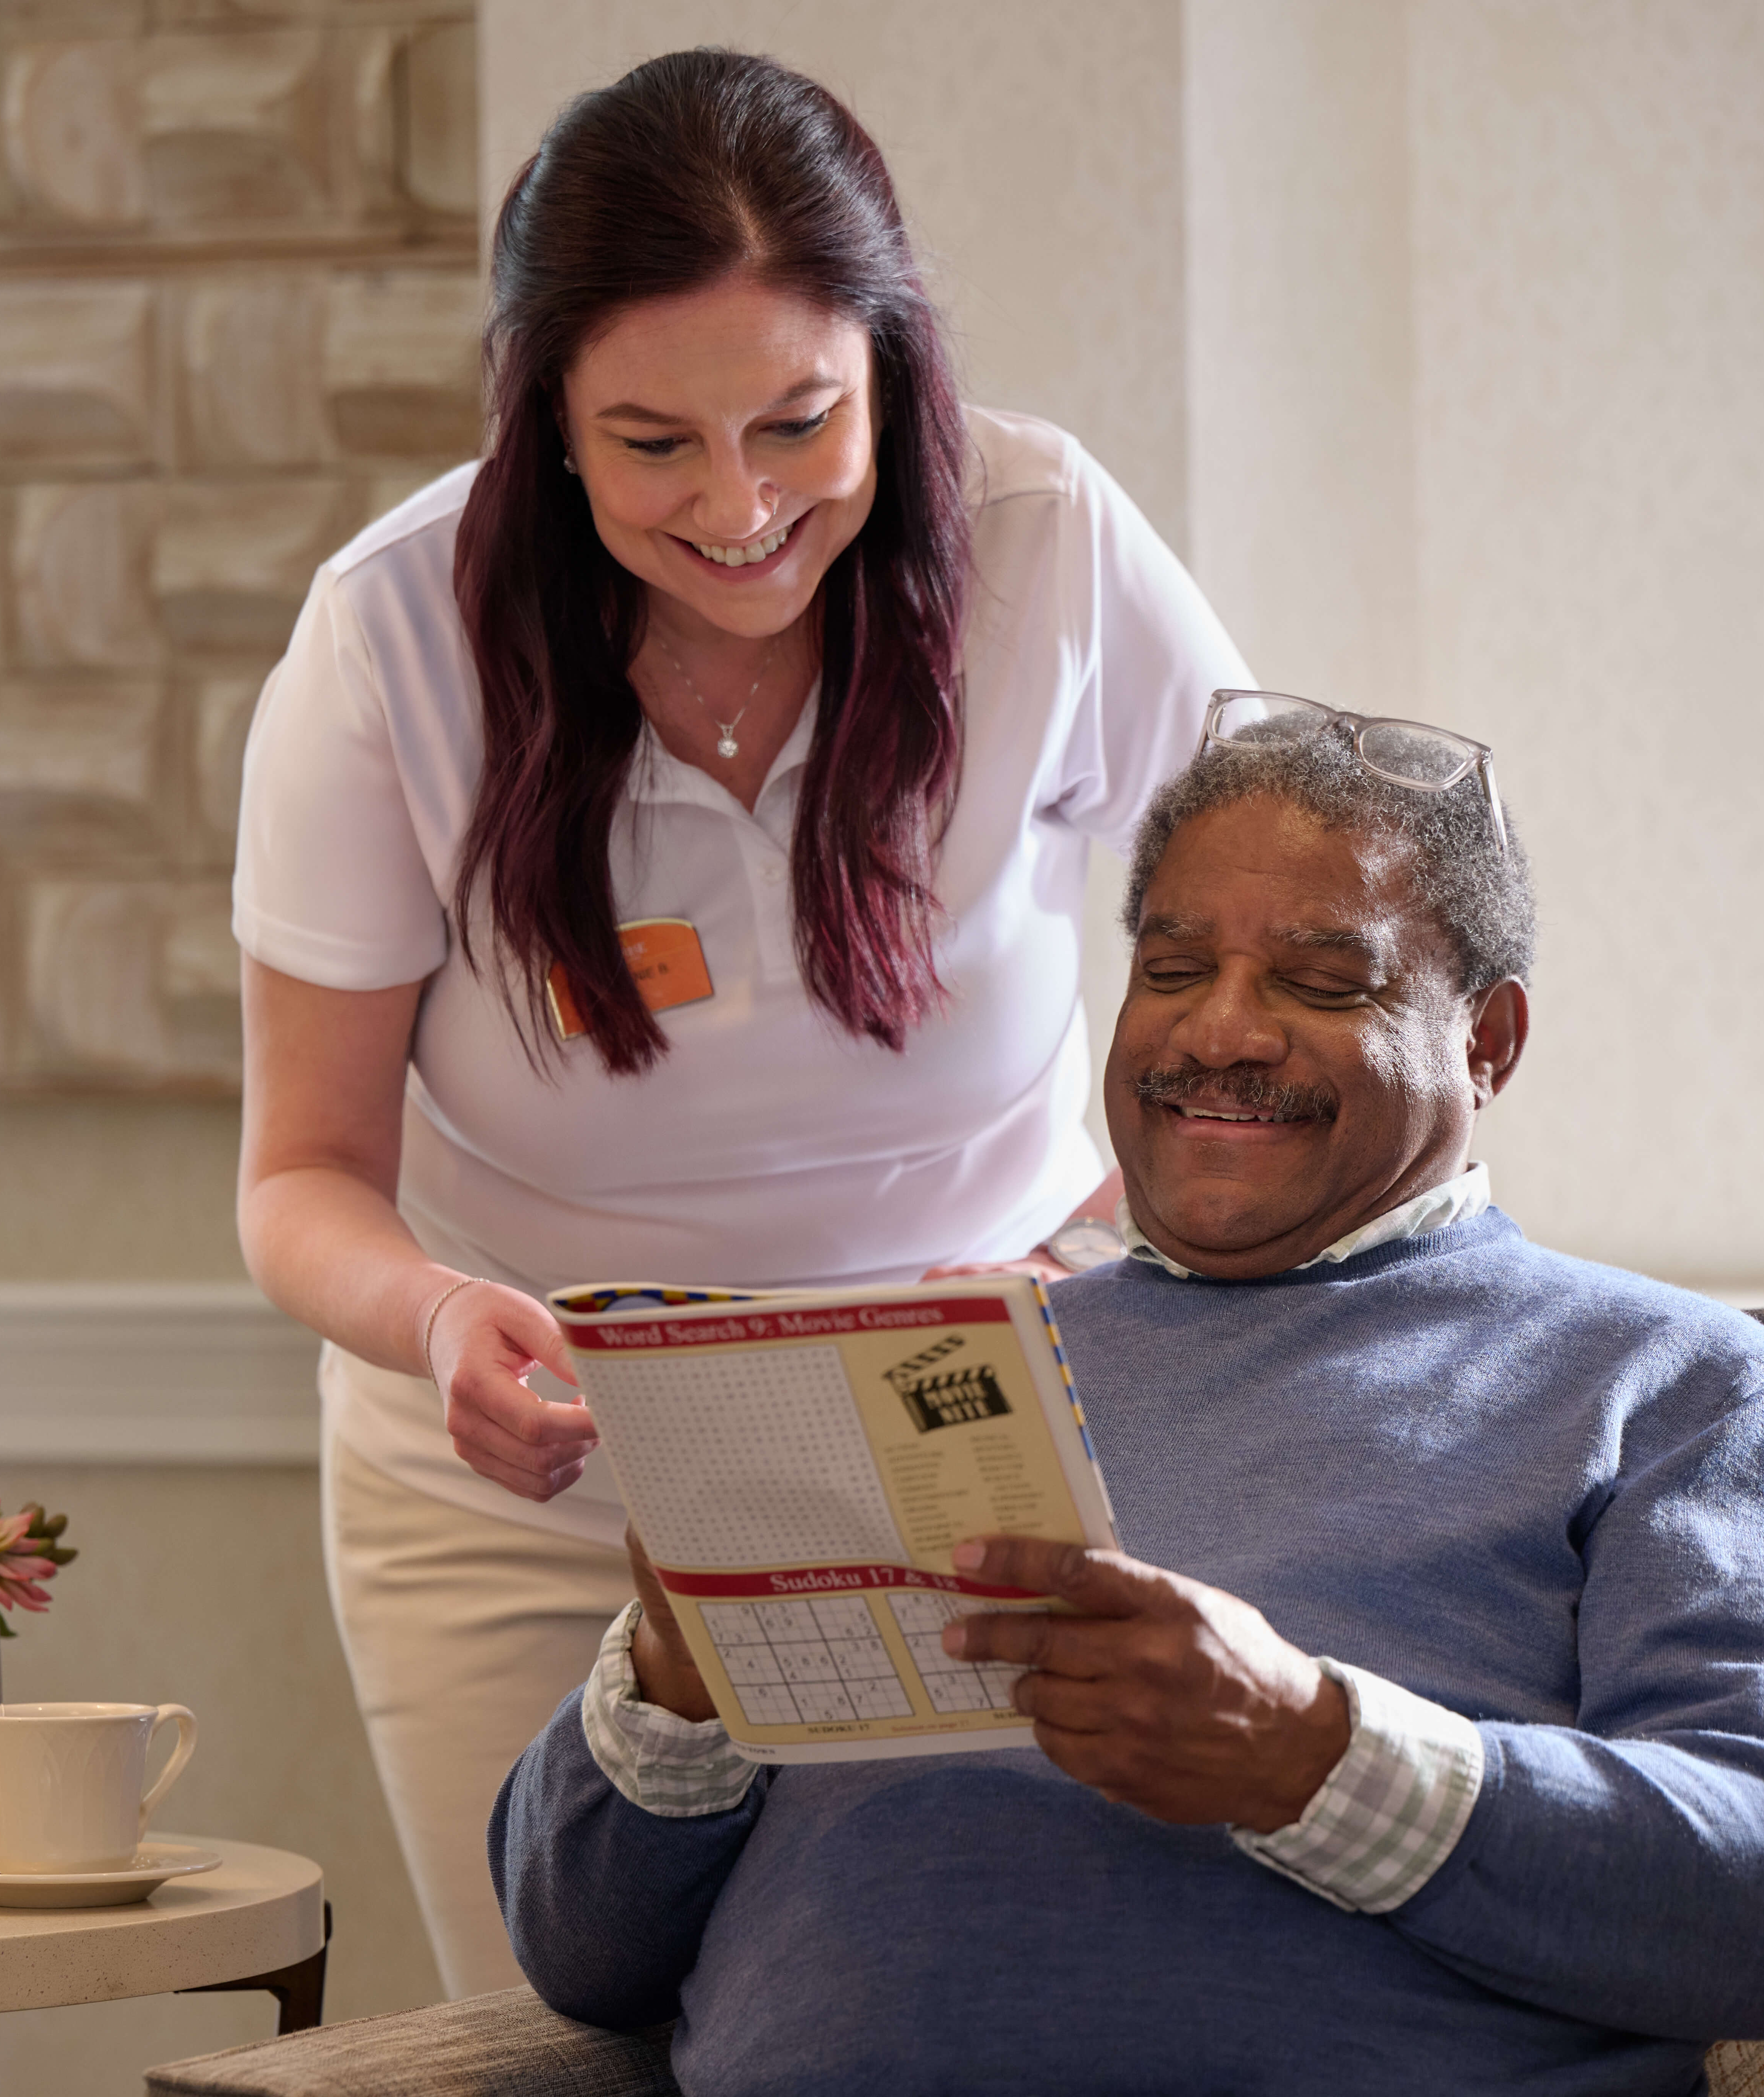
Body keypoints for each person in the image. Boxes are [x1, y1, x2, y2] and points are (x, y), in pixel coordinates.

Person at [231, 48, 1249, 1995]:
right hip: (538, 1501)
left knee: (947, 2005)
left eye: (798, 421)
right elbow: (300, 1174)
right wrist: (437, 1318)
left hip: (974, 1456)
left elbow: (1272, 973)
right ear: (543, 418)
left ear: (890, 365)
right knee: (561, 2028)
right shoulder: (393, 641)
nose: (740, 504)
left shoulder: (1045, 544)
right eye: (652, 444)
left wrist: (1091, 1253)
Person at [490, 702, 1764, 2096]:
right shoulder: (919, 1366)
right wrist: (682, 1673)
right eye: (1171, 969)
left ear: (1489, 1041)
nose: (1220, 1031)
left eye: (1322, 984)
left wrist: (1308, 1754)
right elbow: (581, 1953)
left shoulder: (1683, 1392)